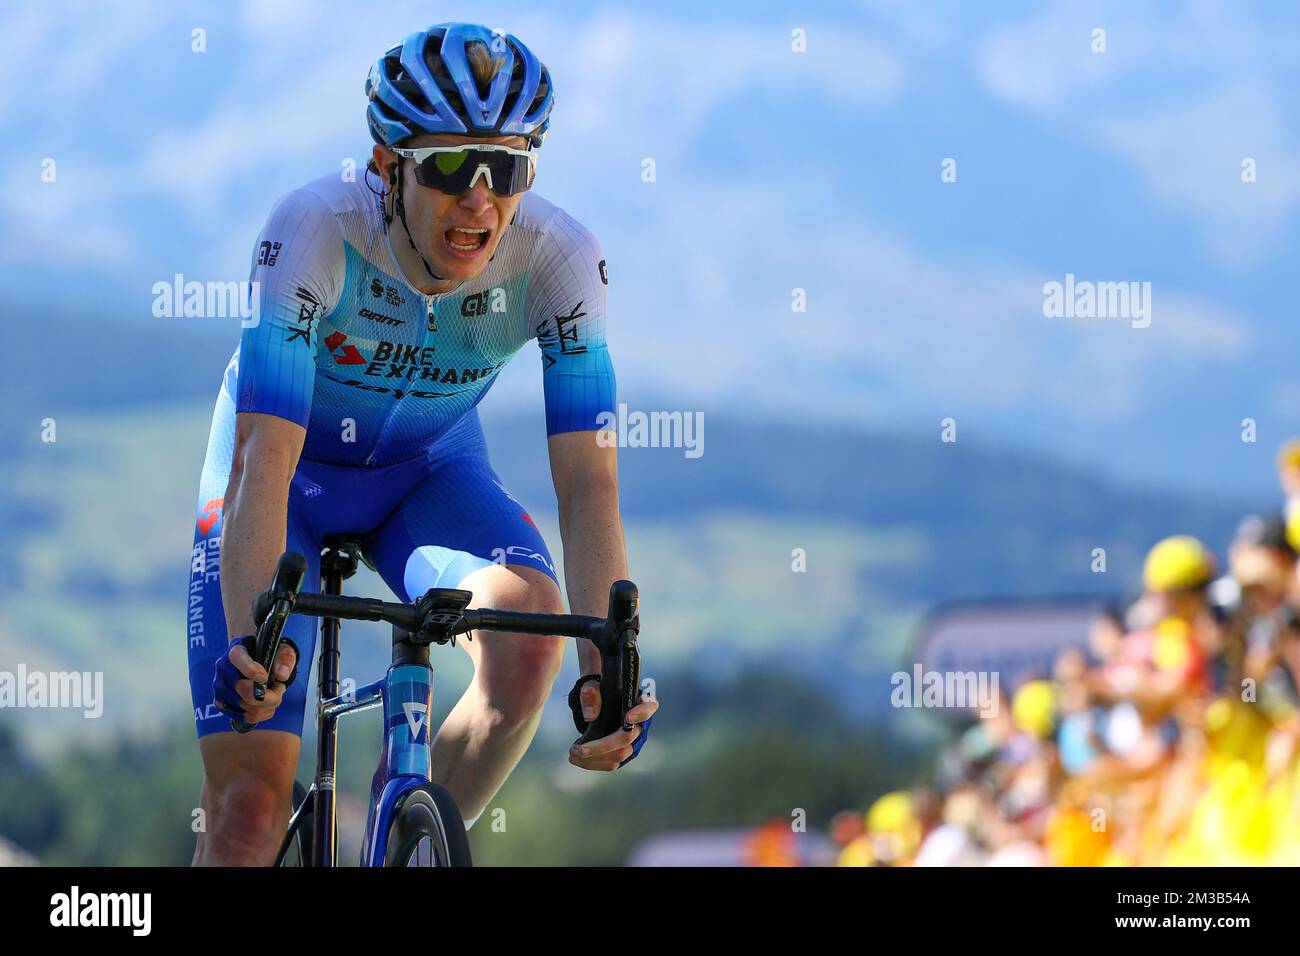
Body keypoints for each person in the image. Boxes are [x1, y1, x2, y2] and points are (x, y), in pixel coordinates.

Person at [186, 22, 657, 866]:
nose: (480, 200)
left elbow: (589, 485)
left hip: (425, 474)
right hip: (281, 480)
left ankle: (397, 845)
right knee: (250, 812)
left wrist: (606, 673)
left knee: (531, 629)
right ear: (385, 167)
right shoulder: (313, 231)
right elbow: (263, 460)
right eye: (448, 167)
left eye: (506, 169)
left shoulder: (561, 259)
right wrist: (251, 642)